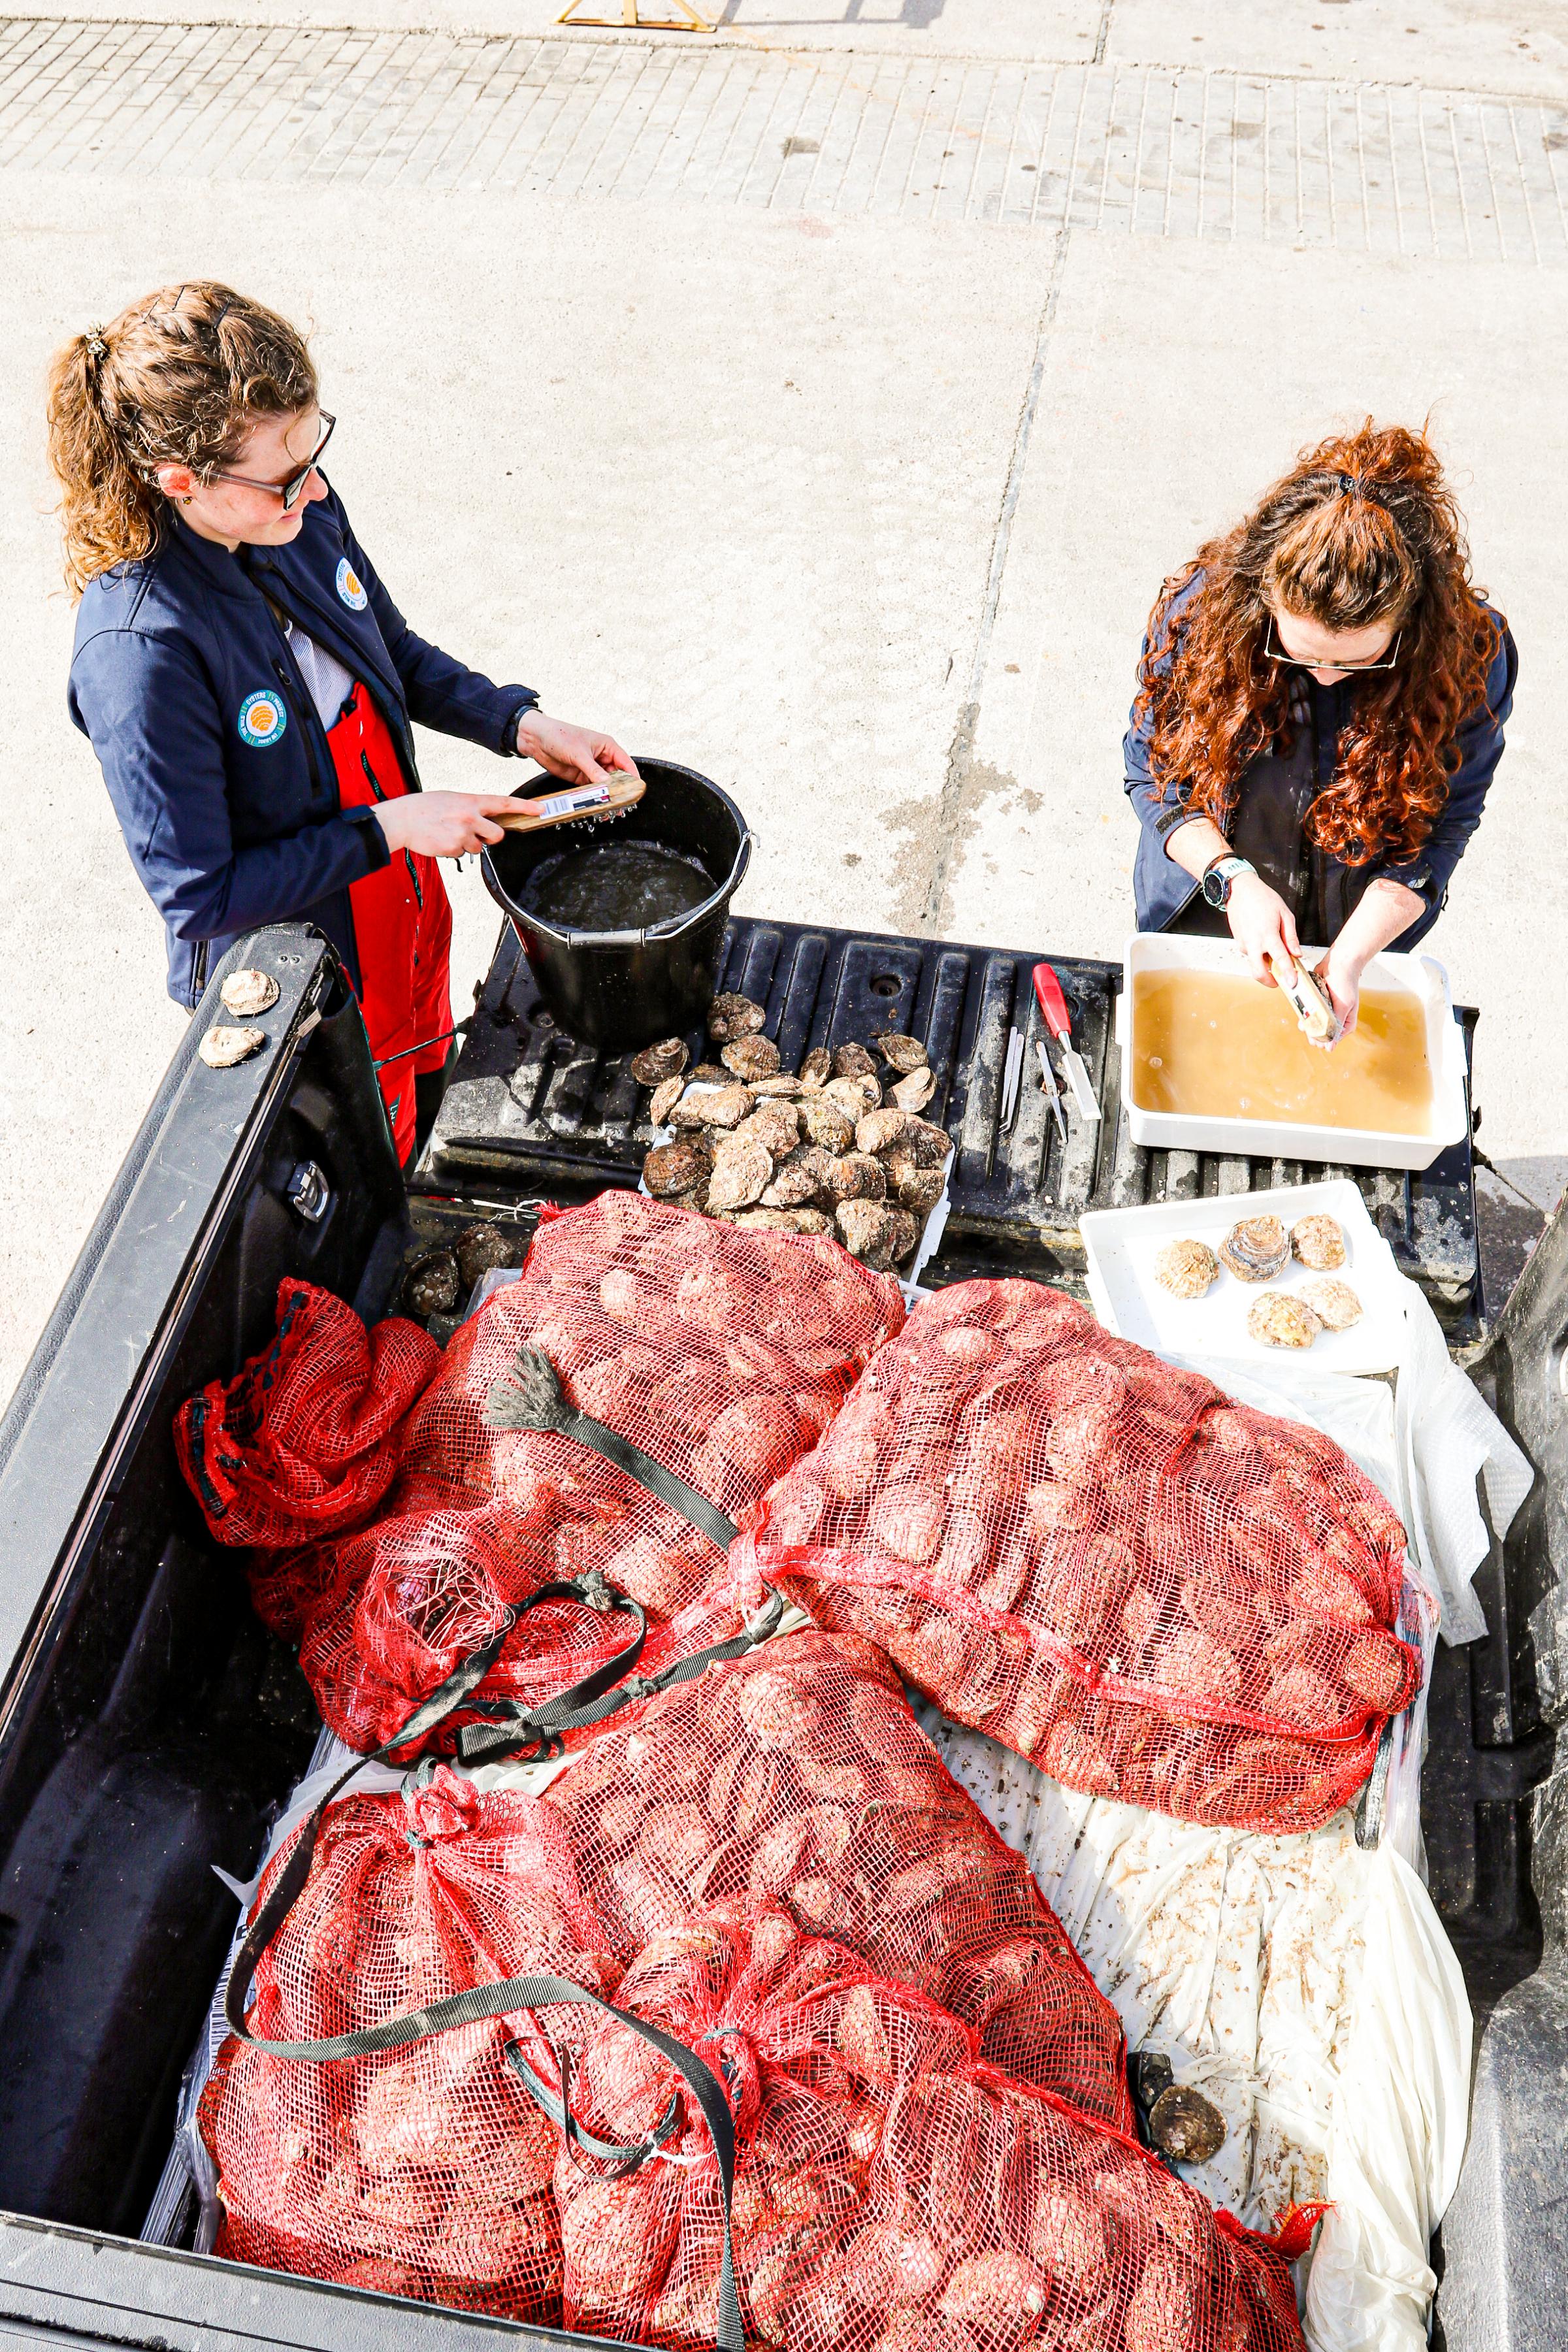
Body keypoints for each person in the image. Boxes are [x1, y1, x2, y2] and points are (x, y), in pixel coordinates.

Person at [47, 281, 638, 1162]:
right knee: (358, 1173)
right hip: (305, 986)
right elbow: (199, 894)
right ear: (181, 481)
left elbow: (390, 653)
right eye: (286, 477)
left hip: (400, 911)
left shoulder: (296, 513)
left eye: (314, 449)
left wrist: (519, 724)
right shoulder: (139, 651)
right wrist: (391, 826)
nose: (315, 489)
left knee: (426, 1110)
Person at [1124, 421, 1515, 1035]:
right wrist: (1231, 879)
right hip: (1200, 902)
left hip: (1360, 921)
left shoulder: (1471, 653)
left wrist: (1357, 952)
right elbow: (1152, 773)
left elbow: (1444, 830)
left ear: (1414, 618)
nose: (1327, 677)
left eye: (1359, 661)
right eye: (1302, 653)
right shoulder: (1201, 609)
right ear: (1260, 597)